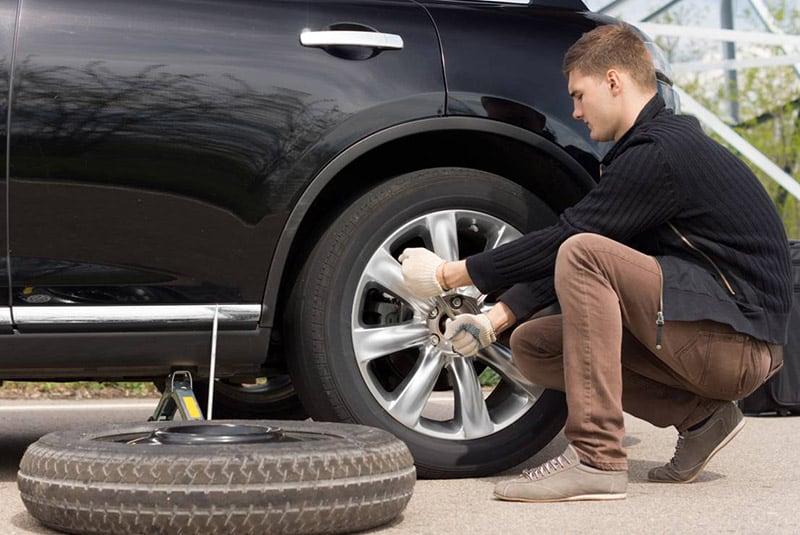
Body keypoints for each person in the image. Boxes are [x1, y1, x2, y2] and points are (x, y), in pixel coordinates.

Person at [398, 23, 791, 503]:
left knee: (583, 250)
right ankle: (702, 418)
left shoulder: (660, 154)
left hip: (739, 344)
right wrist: (499, 317)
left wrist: (449, 273)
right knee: (534, 346)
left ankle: (597, 459)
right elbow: (593, 241)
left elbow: (575, 243)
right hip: (715, 331)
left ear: (613, 81)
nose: (576, 111)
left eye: (579, 95)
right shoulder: (648, 151)